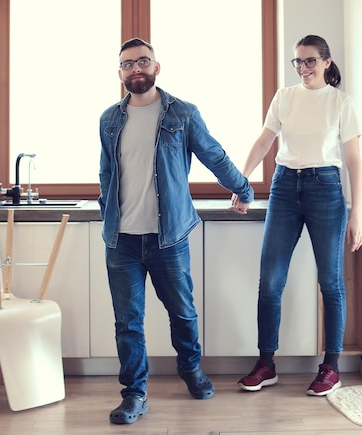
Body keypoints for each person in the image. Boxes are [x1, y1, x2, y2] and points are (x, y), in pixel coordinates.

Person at [99, 37, 254, 424]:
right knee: (127, 322)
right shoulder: (109, 119)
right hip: (122, 240)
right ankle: (134, 394)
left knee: (182, 312)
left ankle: (191, 368)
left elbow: (213, 154)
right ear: (120, 74)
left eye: (143, 61)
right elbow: (106, 174)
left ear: (156, 67)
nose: (136, 68)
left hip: (168, 236)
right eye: (128, 64)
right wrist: (107, 216)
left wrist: (244, 187)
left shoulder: (181, 113)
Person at [231, 34, 362, 396]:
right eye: (298, 62)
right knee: (270, 281)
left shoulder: (340, 102)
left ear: (326, 62)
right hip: (285, 187)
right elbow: (263, 142)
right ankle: (266, 364)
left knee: (331, 283)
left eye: (309, 61)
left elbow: (353, 160)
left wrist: (356, 214)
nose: (303, 68)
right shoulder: (285, 97)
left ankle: (331, 367)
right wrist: (242, 184)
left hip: (326, 189)